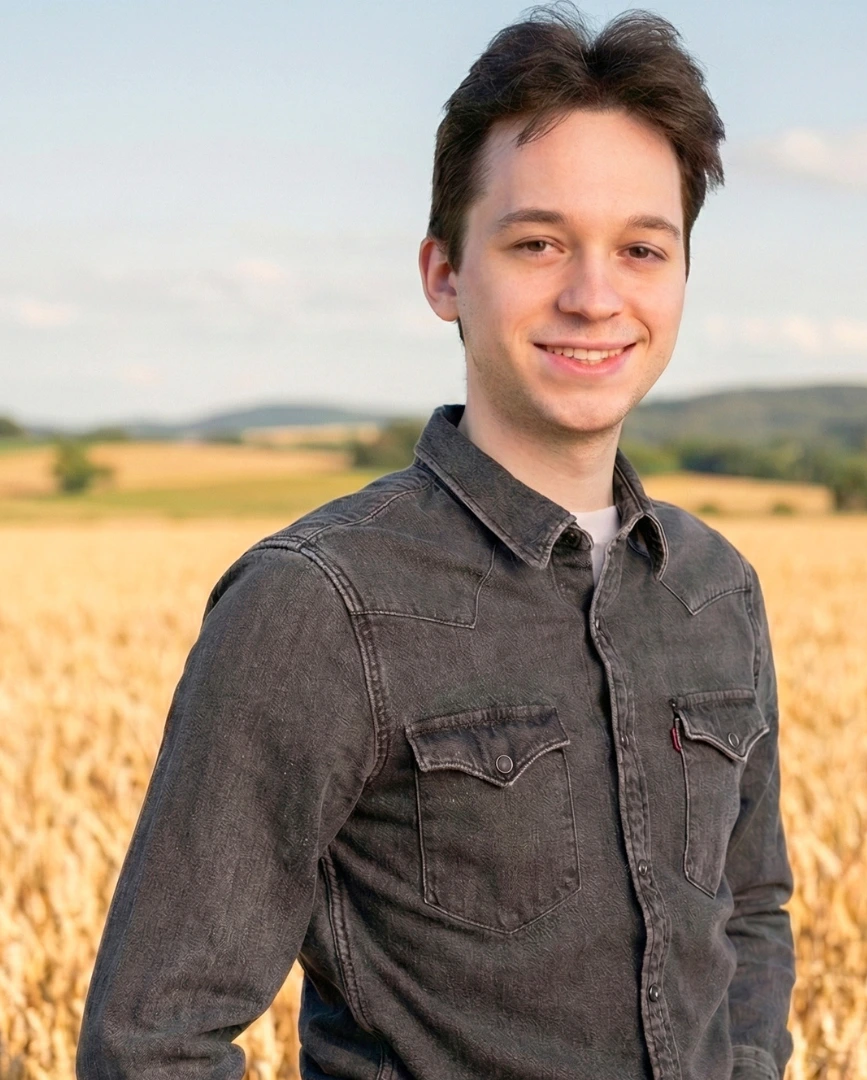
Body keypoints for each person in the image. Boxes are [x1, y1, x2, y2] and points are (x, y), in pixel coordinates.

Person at [77, 7, 795, 1078]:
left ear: (683, 274)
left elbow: (748, 915)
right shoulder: (317, 605)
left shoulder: (713, 590)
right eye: (537, 242)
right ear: (445, 274)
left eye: (641, 249)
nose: (594, 296)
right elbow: (152, 1043)